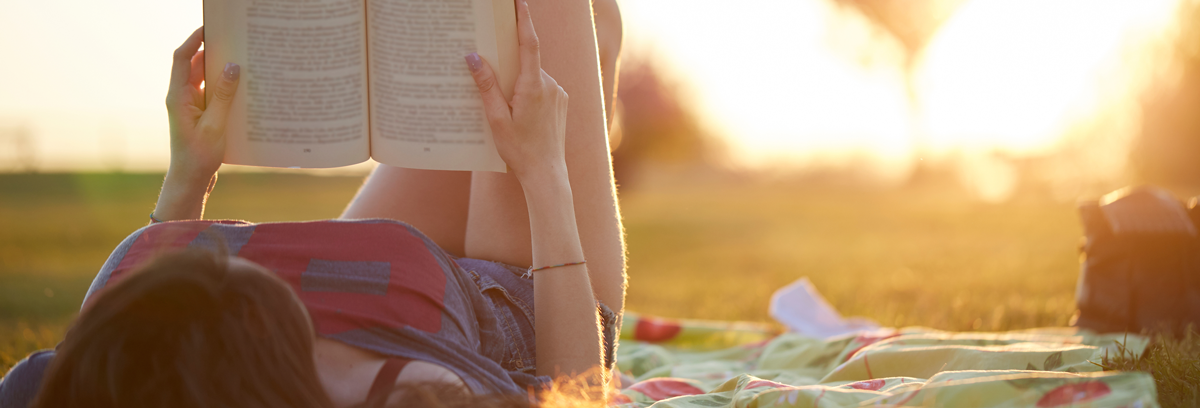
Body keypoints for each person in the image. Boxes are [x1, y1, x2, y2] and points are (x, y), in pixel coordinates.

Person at [0, 0, 627, 406]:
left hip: (386, 274)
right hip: (517, 297)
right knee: (534, 26)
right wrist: (544, 170)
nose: (228, 260)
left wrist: (190, 172)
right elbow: (575, 396)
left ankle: (585, 87)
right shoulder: (415, 394)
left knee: (491, 56)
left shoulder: (69, 383)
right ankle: (592, 85)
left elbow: (129, 328)